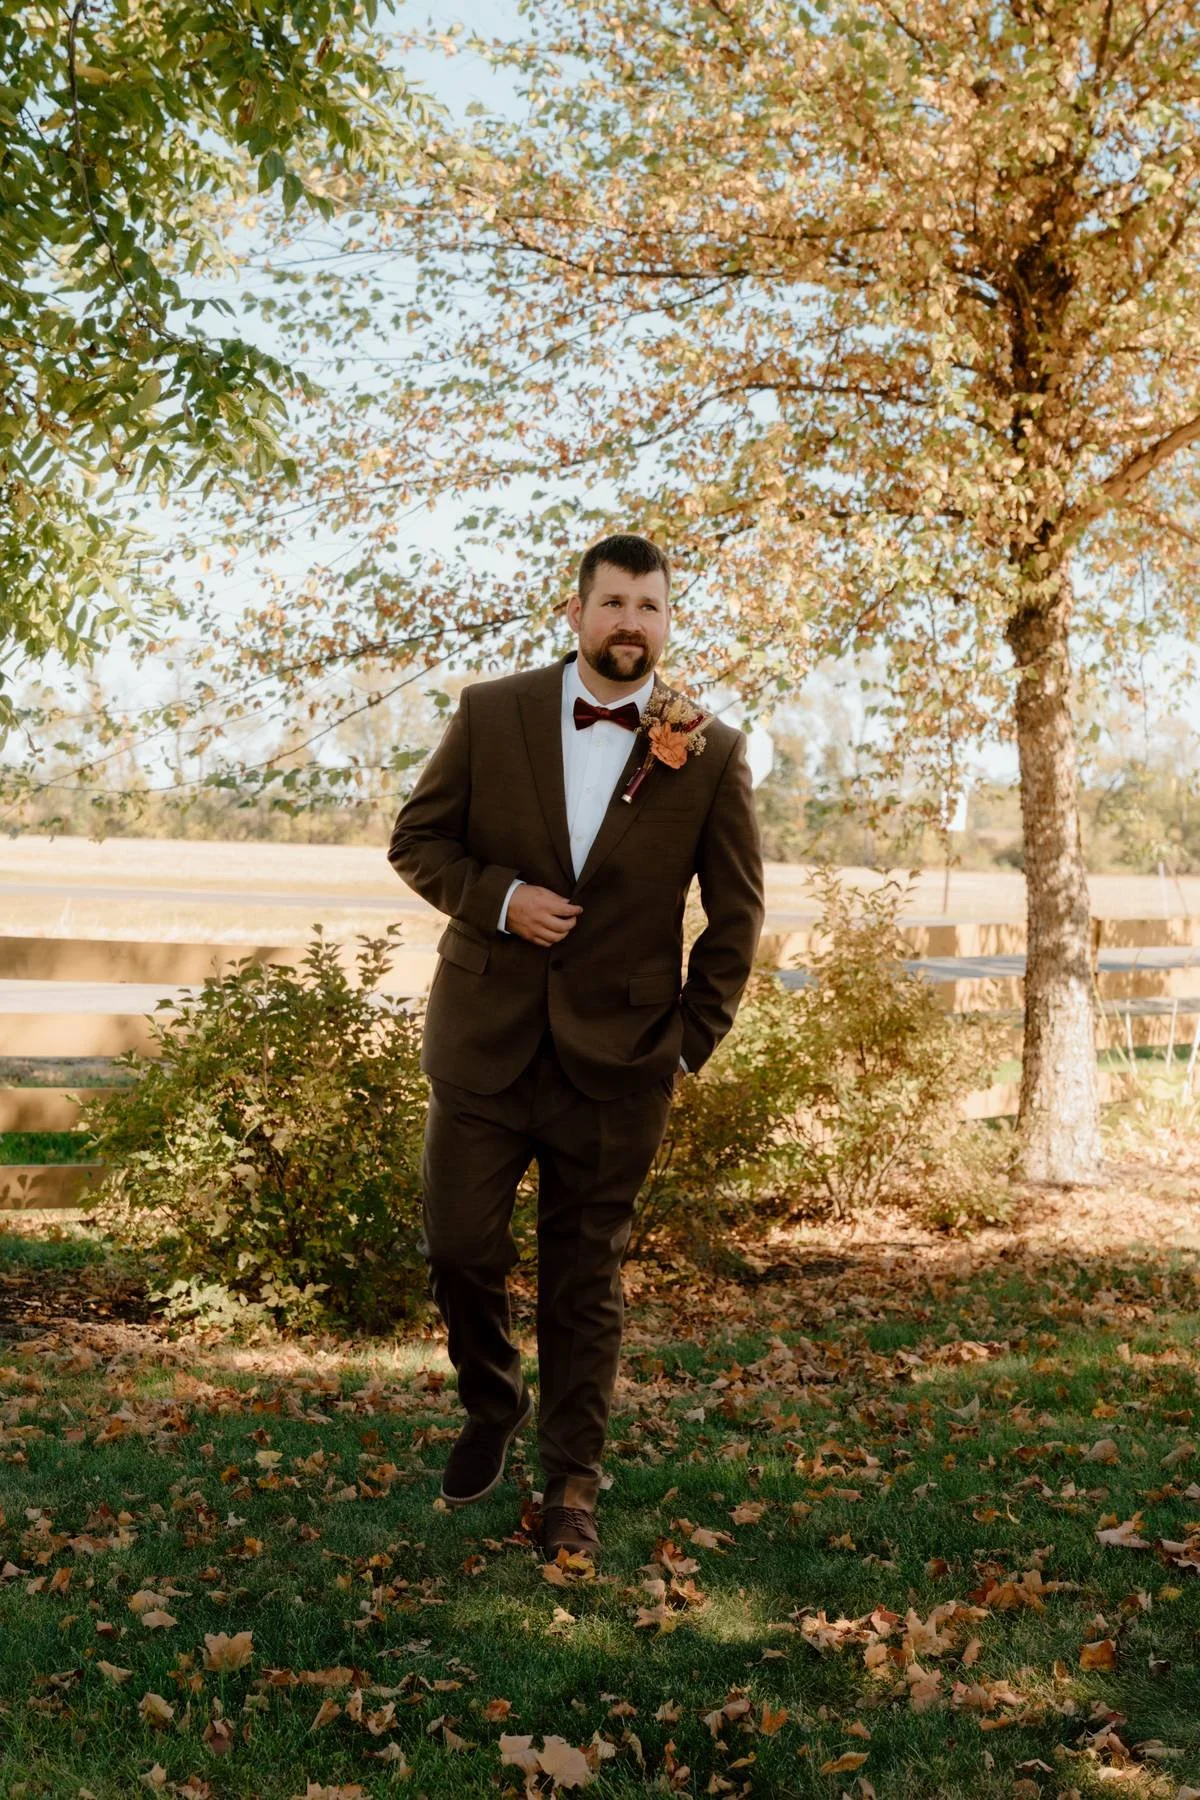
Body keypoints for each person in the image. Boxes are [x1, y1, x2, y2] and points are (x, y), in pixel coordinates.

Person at [386, 532, 765, 1564]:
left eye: (649, 607)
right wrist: (502, 900)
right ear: (577, 613)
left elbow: (735, 915)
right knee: (459, 1244)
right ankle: (492, 1396)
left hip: (623, 1061)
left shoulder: (709, 747)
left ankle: (572, 1486)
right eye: (612, 604)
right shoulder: (490, 712)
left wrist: (688, 1042)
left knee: (583, 1278)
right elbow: (417, 841)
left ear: (667, 621)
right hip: (484, 1040)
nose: (629, 624)